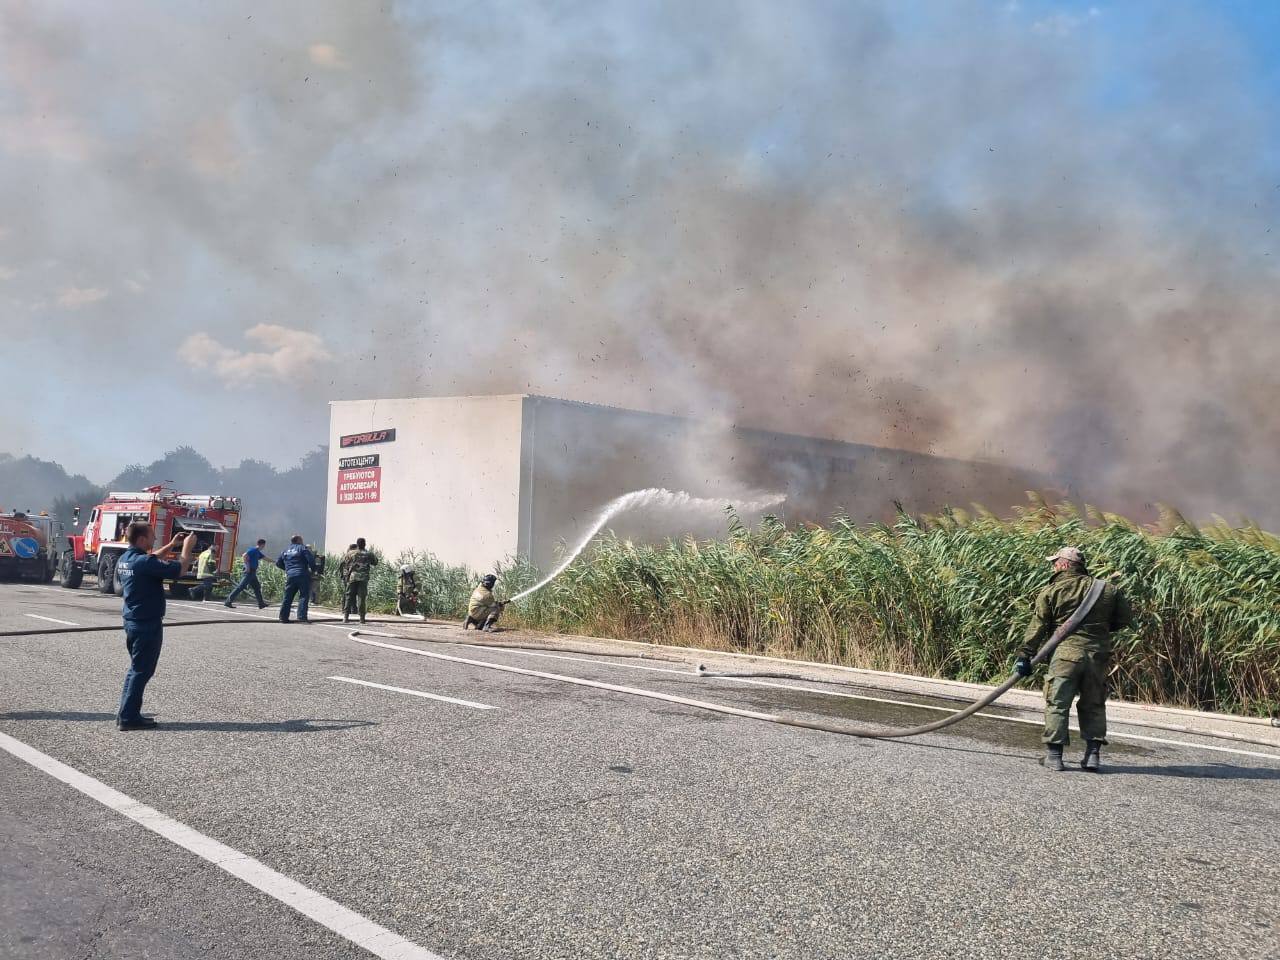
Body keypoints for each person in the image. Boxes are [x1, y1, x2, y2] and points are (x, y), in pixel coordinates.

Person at [1017, 546, 1133, 773]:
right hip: (1097, 655)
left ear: (1063, 565)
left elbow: (1038, 626)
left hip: (1065, 655)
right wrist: (1098, 630)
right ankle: (1092, 756)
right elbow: (1123, 620)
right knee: (1094, 704)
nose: (1053, 566)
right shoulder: (1108, 590)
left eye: (1055, 562)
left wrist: (1025, 654)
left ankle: (1054, 757)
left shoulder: (1053, 590)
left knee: (1058, 703)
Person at [115, 522, 198, 730]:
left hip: (133, 621)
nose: (154, 540)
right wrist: (187, 547)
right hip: (146, 623)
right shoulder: (143, 562)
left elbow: (151, 559)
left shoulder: (126, 559)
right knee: (141, 671)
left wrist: (171, 544)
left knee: (136, 670)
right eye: (152, 537)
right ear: (142, 539)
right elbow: (180, 569)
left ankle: (126, 714)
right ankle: (128, 718)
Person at [276, 534, 317, 623]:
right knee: (303, 595)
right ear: (298, 540)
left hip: (290, 576)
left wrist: (288, 569)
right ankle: (301, 617)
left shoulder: (285, 550)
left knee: (288, 597)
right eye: (301, 539)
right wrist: (313, 570)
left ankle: (283, 618)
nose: (302, 541)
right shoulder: (302, 548)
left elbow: (278, 563)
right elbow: (310, 560)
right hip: (302, 574)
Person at [340, 537, 377, 624]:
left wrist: (346, 575)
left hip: (352, 578)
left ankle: (345, 617)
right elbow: (375, 562)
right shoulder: (368, 554)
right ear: (365, 544)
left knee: (349, 597)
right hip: (363, 579)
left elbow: (344, 563)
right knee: (361, 598)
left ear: (357, 544)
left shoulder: (351, 553)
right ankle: (362, 619)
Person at [225, 538, 269, 609]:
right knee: (240, 587)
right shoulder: (253, 550)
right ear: (262, 544)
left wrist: (276, 562)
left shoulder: (257, 552)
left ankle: (261, 604)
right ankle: (228, 601)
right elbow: (244, 555)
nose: (264, 547)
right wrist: (247, 566)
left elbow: (265, 558)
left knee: (257, 587)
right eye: (264, 545)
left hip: (253, 573)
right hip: (249, 572)